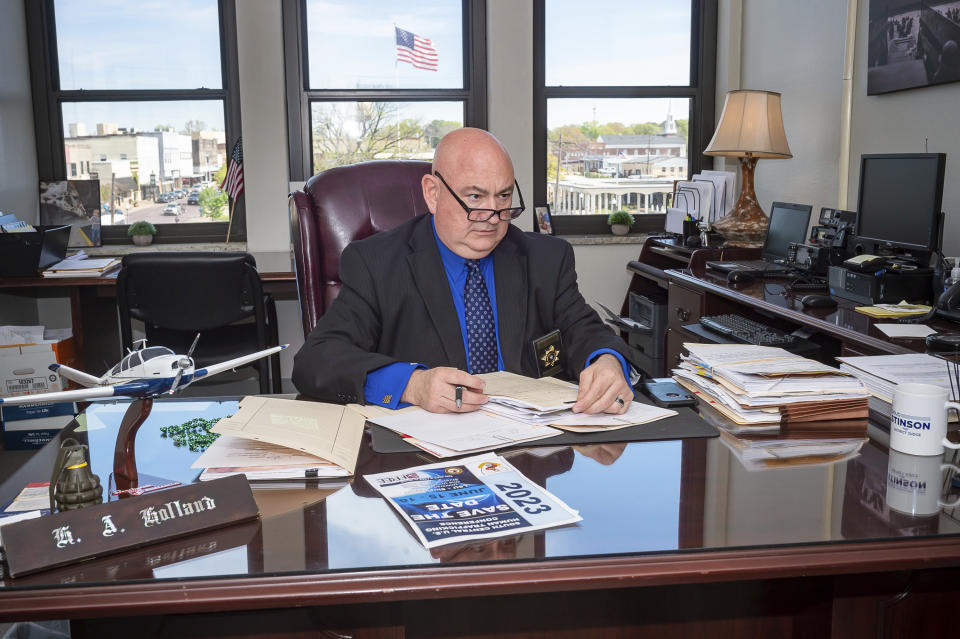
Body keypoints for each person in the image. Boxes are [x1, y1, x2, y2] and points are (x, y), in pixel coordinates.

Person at [292, 128, 635, 415]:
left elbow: (585, 330)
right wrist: (412, 385)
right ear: (433, 193)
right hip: (427, 456)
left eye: (503, 197)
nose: (492, 215)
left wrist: (607, 361)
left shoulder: (546, 258)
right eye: (474, 197)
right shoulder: (377, 263)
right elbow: (316, 361)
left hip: (530, 444)